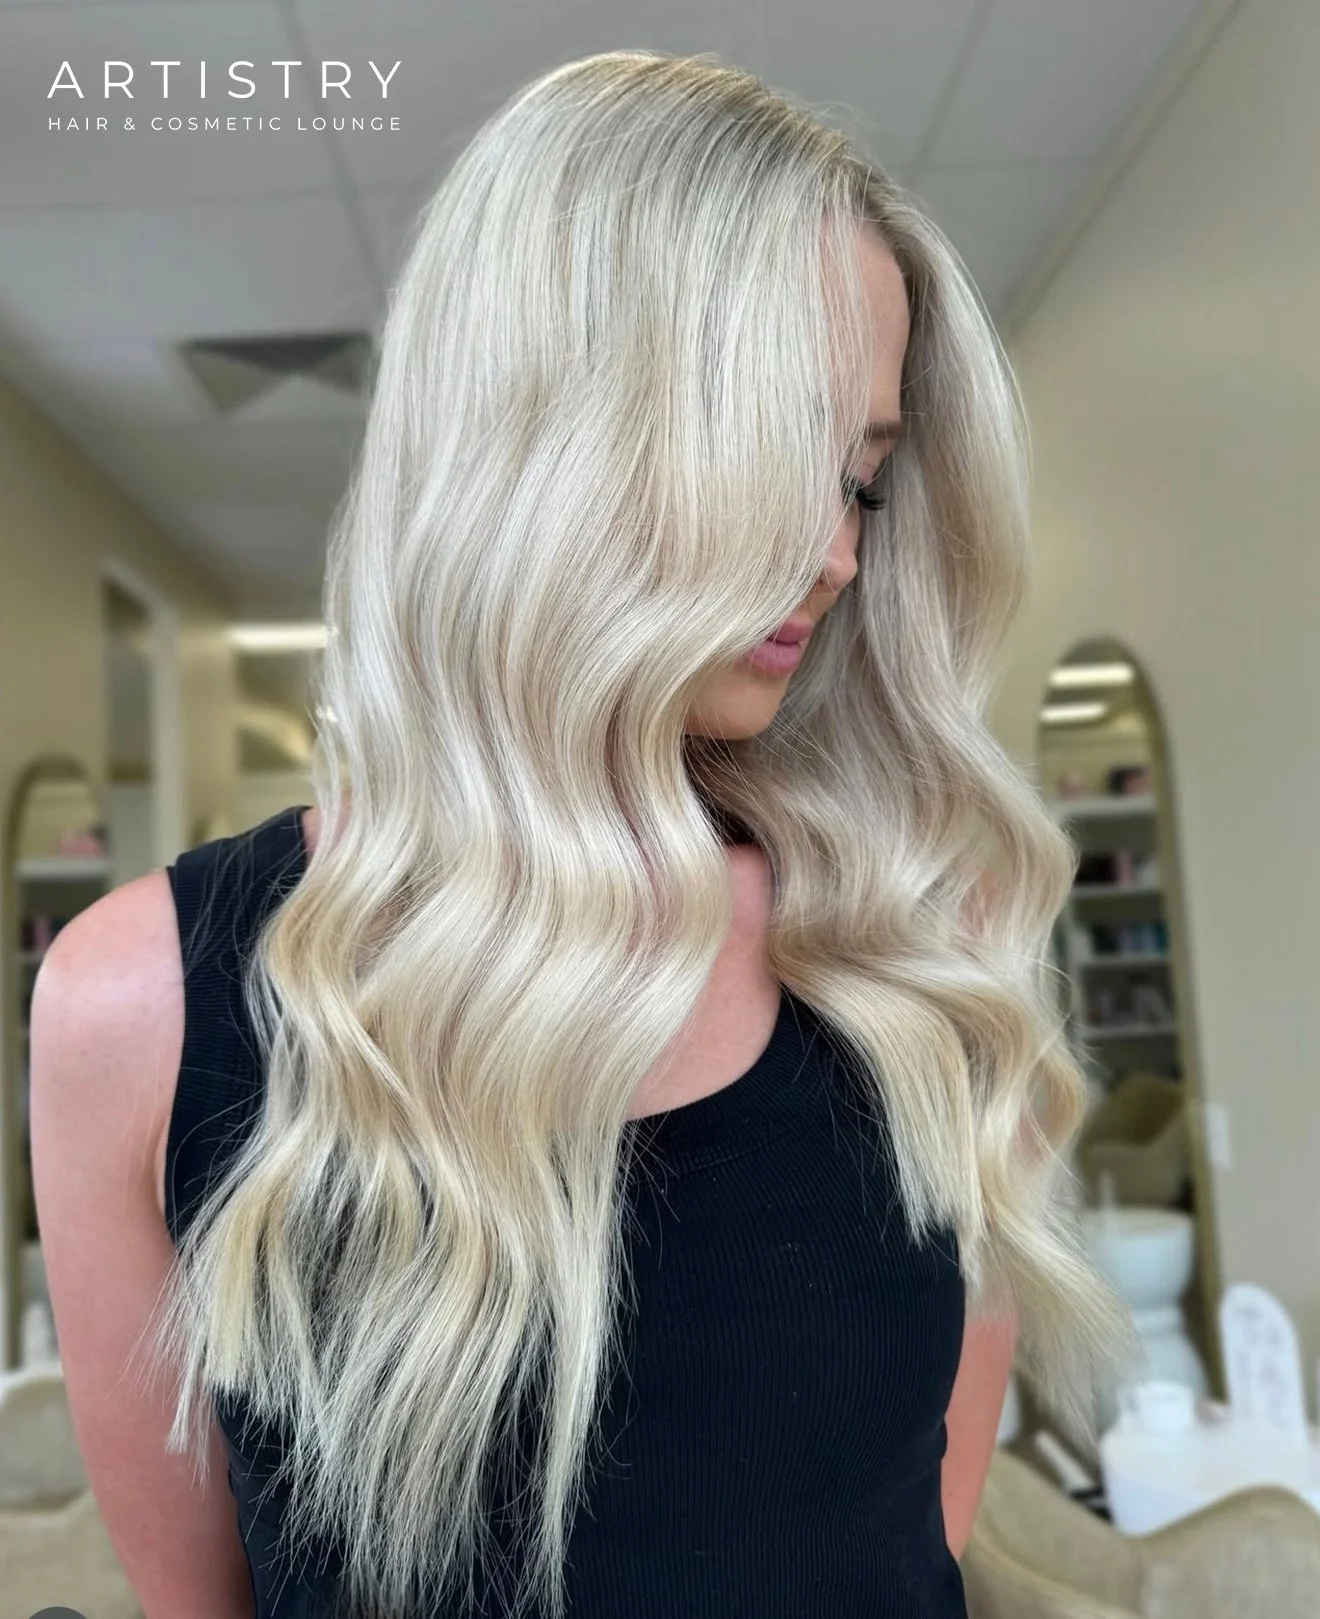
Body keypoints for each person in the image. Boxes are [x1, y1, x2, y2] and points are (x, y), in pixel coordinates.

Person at [29, 49, 1134, 1619]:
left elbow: (910, 1535)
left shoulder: (913, 948)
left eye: (866, 481)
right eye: (774, 448)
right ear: (533, 434)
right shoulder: (143, 998)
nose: (833, 553)